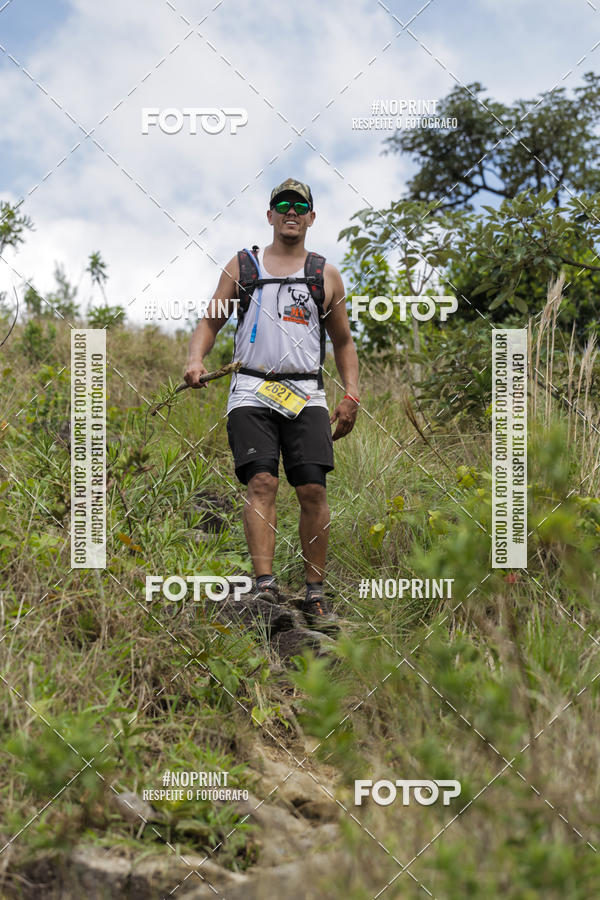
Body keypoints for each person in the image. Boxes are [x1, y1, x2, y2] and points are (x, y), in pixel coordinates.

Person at [184, 178, 359, 631]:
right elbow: (210, 320)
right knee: (261, 481)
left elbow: (342, 342)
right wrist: (195, 358)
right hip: (251, 388)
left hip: (307, 394)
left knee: (312, 490)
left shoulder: (325, 274)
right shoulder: (243, 266)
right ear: (270, 215)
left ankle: (314, 595)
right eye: (282, 205)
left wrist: (351, 394)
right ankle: (265, 587)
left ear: (311, 217)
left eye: (300, 205)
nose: (291, 211)